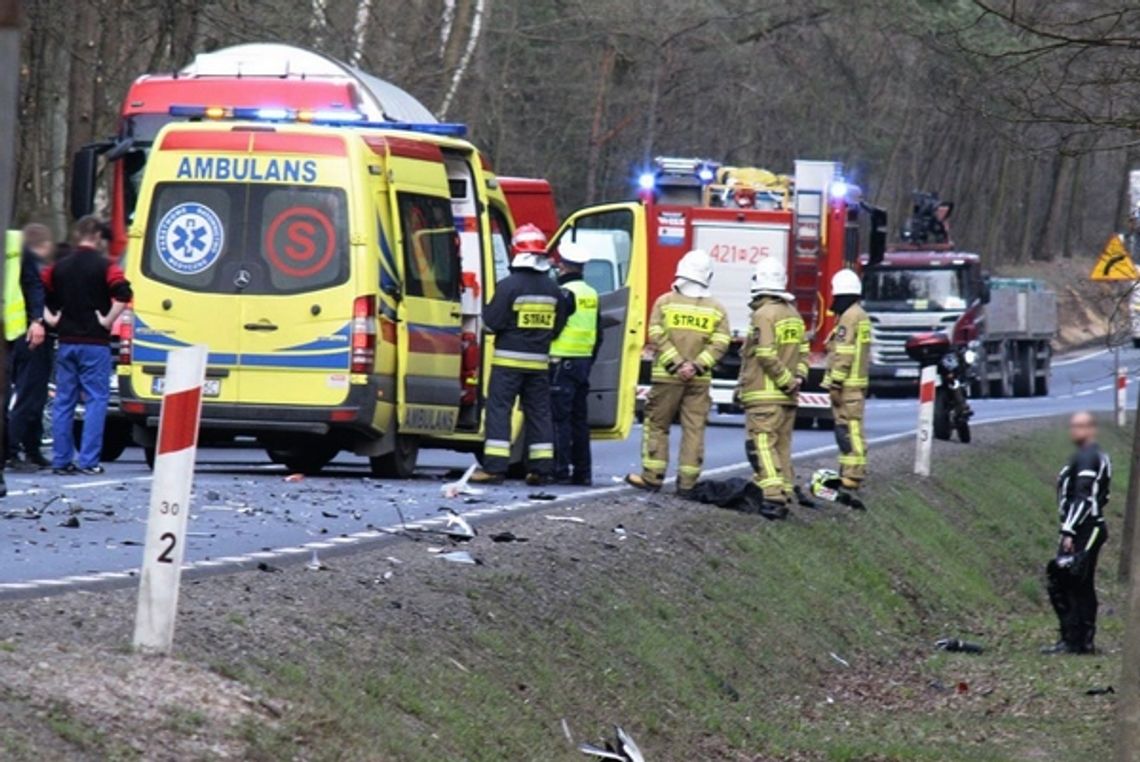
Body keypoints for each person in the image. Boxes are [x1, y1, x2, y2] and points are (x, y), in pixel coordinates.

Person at [470, 224, 570, 486]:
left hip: (507, 363)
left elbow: (491, 323)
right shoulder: (552, 289)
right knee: (539, 413)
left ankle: (494, 468)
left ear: (516, 251)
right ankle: (541, 469)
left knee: (499, 410)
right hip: (538, 363)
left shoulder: (508, 286)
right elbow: (558, 327)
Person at [625, 249, 730, 497]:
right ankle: (687, 484)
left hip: (667, 377)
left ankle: (652, 477)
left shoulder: (665, 302)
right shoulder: (716, 308)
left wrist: (676, 363)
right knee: (694, 428)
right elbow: (721, 342)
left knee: (657, 425)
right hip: (699, 380)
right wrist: (696, 366)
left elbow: (656, 334)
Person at [42, 216, 132, 475]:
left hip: (66, 340)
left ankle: (61, 460)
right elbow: (124, 293)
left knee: (63, 402)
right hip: (95, 343)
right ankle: (89, 461)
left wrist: (51, 318)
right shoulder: (107, 267)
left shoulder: (58, 267)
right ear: (97, 237)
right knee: (95, 400)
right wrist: (107, 320)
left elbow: (39, 288)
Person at [736, 258, 807, 518]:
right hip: (787, 398)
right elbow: (804, 352)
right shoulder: (794, 314)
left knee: (762, 445)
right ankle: (785, 492)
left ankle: (773, 497)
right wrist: (797, 379)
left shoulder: (763, 314)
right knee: (782, 447)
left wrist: (786, 381)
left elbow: (764, 354)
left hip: (766, 394)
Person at [1043, 412, 1111, 655]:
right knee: (1080, 583)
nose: (1076, 430)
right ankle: (1081, 640)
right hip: (1086, 526)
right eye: (1074, 426)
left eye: (1082, 426)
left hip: (1086, 527)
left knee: (1064, 579)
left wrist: (1069, 530)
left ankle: (1075, 640)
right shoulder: (1088, 456)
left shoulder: (1089, 458)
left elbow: (1084, 496)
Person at [549, 241, 602, 486]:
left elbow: (554, 328)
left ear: (562, 266)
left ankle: (560, 470)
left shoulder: (565, 293)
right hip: (582, 363)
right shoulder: (591, 294)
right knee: (580, 420)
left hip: (562, 362)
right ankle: (583, 472)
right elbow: (598, 333)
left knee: (560, 419)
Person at [7, 223, 53, 470]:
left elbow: (31, 285)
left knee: (30, 394)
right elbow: (34, 286)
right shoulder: (18, 245)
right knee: (28, 395)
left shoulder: (15, 243)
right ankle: (13, 451)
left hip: (17, 330)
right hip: (22, 332)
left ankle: (29, 449)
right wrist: (38, 320)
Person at [822, 268, 871, 490]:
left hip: (847, 386)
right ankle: (849, 472)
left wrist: (835, 382)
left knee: (849, 429)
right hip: (855, 383)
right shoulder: (859, 314)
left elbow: (844, 353)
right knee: (849, 429)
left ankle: (853, 474)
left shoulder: (849, 317)